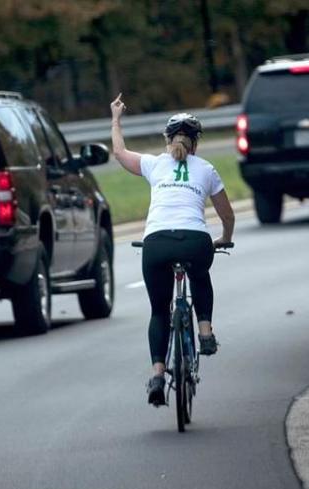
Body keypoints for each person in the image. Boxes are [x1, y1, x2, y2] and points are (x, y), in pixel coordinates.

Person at [109, 93, 236, 407]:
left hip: (156, 243)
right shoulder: (206, 169)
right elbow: (227, 214)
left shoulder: (154, 164)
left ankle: (157, 374)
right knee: (200, 273)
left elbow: (119, 151)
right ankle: (205, 331)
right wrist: (224, 238)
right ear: (196, 143)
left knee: (158, 310)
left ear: (167, 140)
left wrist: (115, 118)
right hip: (195, 240)